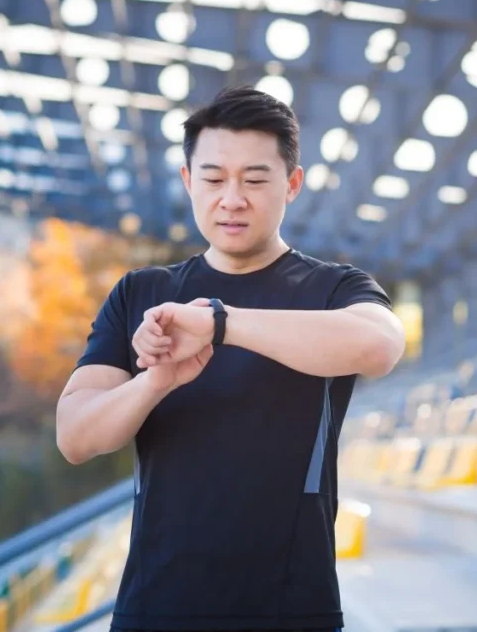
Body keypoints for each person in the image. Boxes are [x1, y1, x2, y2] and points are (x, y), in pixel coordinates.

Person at [56, 85, 406, 632]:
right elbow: (76, 437)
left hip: (292, 610)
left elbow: (380, 345)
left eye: (255, 179)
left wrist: (222, 323)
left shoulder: (335, 289)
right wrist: (156, 381)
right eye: (214, 179)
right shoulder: (142, 294)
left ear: (292, 184)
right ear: (188, 181)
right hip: (157, 607)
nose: (232, 198)